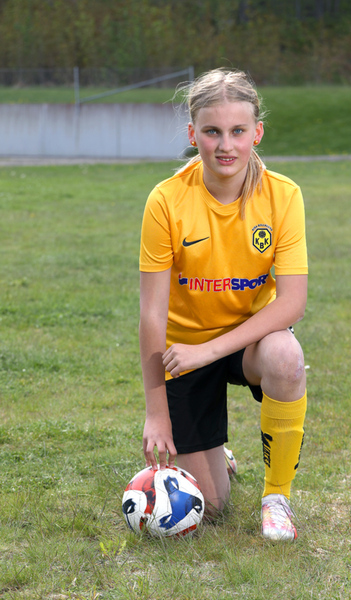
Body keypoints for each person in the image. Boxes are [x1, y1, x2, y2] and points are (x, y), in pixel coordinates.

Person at [139, 68, 308, 542]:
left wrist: (211, 350)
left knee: (287, 356)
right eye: (212, 131)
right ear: (193, 134)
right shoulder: (166, 201)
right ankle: (217, 457)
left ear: (257, 132)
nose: (226, 145)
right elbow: (151, 314)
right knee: (210, 507)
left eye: (238, 131)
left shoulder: (283, 195)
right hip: (183, 352)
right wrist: (157, 413)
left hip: (248, 342)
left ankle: (277, 499)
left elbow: (292, 302)